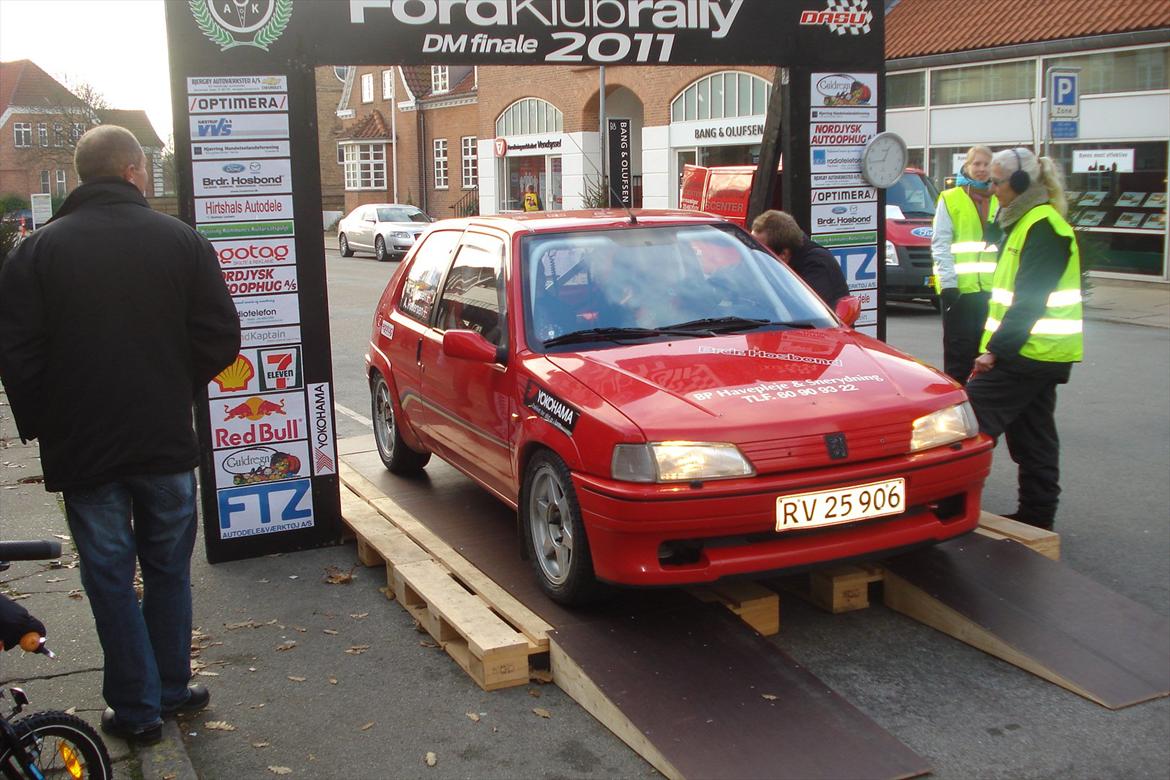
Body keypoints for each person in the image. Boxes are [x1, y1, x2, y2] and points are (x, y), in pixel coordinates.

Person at [0, 126, 241, 744]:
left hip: (83, 448)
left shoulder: (36, 252)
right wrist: (173, 383)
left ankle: (136, 710)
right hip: (163, 440)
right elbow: (221, 335)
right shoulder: (182, 241)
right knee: (167, 568)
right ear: (134, 170)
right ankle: (170, 688)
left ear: (83, 174)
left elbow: (17, 355)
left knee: (108, 575)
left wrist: (49, 420)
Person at [966, 147, 1082, 530]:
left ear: (1018, 183)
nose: (991, 189)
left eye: (996, 182)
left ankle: (949, 503)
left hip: (1029, 351)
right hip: (1037, 352)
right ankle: (1037, 515)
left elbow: (1030, 300)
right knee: (1034, 435)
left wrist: (994, 352)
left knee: (967, 420)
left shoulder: (1043, 227)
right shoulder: (1026, 222)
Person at [932, 145, 999, 384]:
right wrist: (948, 284)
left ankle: (982, 401)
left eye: (986, 164)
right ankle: (959, 399)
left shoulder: (1000, 198)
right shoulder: (951, 198)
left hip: (993, 291)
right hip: (960, 290)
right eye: (976, 164)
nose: (981, 169)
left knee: (988, 352)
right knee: (959, 354)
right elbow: (940, 243)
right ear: (967, 166)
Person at [750, 209, 849, 307]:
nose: (753, 254)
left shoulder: (817, 265)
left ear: (783, 254)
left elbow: (800, 308)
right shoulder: (764, 262)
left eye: (760, 250)